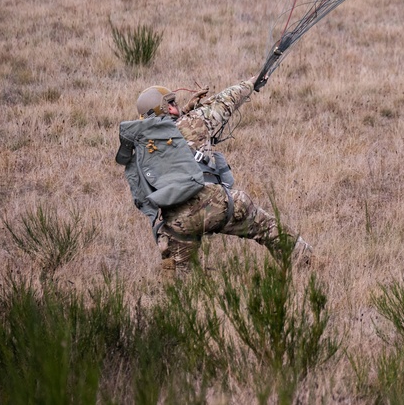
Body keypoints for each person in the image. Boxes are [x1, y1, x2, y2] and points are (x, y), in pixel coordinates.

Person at [116, 76, 308, 279]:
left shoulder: (142, 149)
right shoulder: (195, 121)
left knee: (176, 275)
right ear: (169, 108)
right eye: (173, 102)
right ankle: (307, 263)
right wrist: (250, 83)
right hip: (216, 204)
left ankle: (173, 295)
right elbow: (226, 100)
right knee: (267, 227)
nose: (177, 105)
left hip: (176, 222)